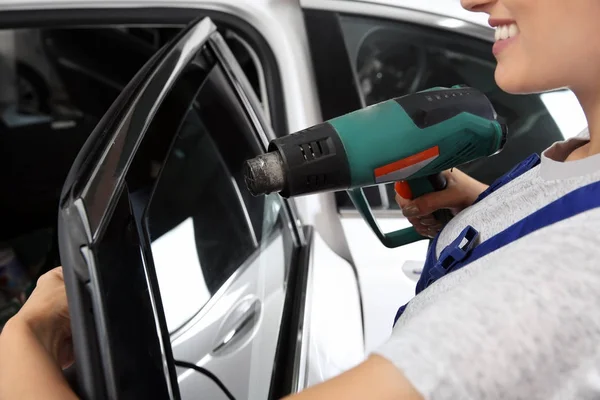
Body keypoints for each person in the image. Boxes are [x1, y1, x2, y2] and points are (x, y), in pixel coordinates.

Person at [3, 0, 600, 398]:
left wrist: (21, 339)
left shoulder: (572, 273)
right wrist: (488, 217)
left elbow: (552, 287)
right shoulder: (575, 159)